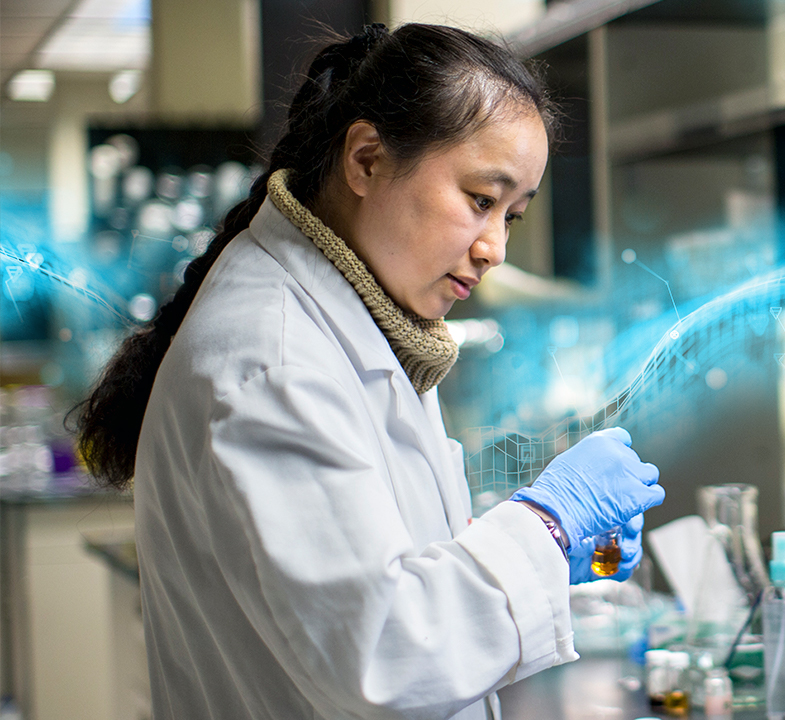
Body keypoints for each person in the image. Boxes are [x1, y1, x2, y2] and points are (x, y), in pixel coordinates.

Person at [73, 23, 664, 720]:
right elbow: (384, 651)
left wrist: (541, 555)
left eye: (513, 215)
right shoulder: (275, 360)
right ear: (366, 160)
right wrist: (549, 525)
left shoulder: (362, 323)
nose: (494, 248)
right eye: (481, 199)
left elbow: (384, 564)